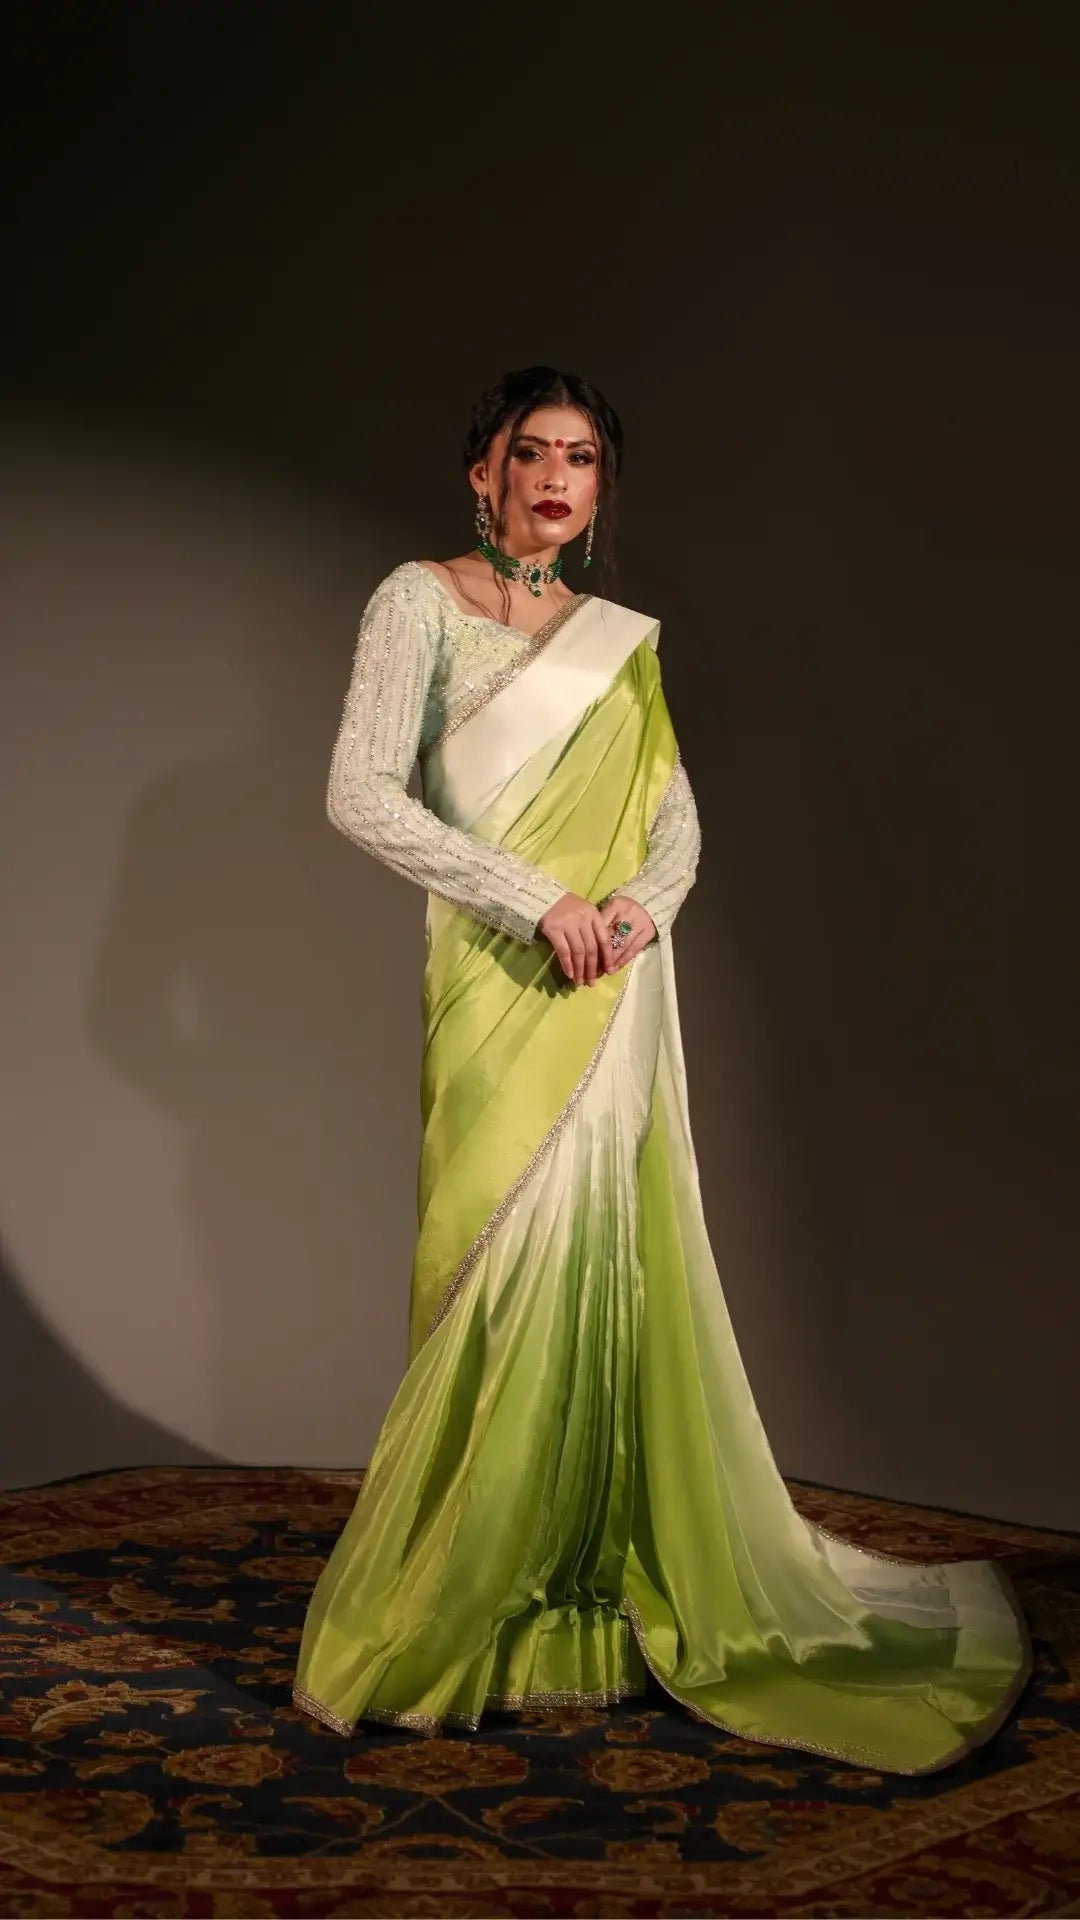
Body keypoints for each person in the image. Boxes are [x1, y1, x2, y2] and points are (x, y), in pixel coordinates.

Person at [291, 365, 1031, 1771]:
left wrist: (637, 908)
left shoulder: (615, 642)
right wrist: (537, 902)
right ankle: (454, 1605)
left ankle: (581, 1601)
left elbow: (675, 820)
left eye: (581, 459)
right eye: (531, 452)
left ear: (599, 485)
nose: (555, 479)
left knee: (603, 1264)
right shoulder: (418, 602)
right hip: (502, 980)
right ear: (482, 470)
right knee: (498, 1274)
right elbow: (361, 791)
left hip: (611, 984)